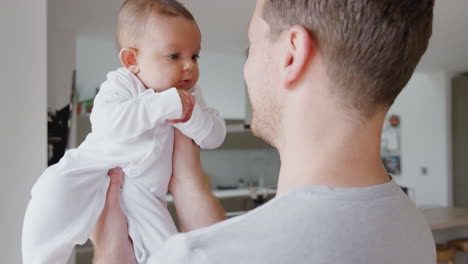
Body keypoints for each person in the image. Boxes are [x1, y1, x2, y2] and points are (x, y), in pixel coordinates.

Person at [93, 0, 437, 263]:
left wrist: (110, 254)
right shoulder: (412, 229)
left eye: (252, 43)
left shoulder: (196, 256)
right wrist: (190, 185)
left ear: (291, 55)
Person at [21, 1, 226, 263]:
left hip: (147, 192)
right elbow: (109, 124)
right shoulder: (122, 83)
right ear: (132, 60)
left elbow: (214, 136)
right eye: (174, 56)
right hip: (96, 169)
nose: (188, 66)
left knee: (167, 249)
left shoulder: (190, 97)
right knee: (52, 191)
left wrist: (190, 116)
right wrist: (164, 104)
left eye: (194, 56)